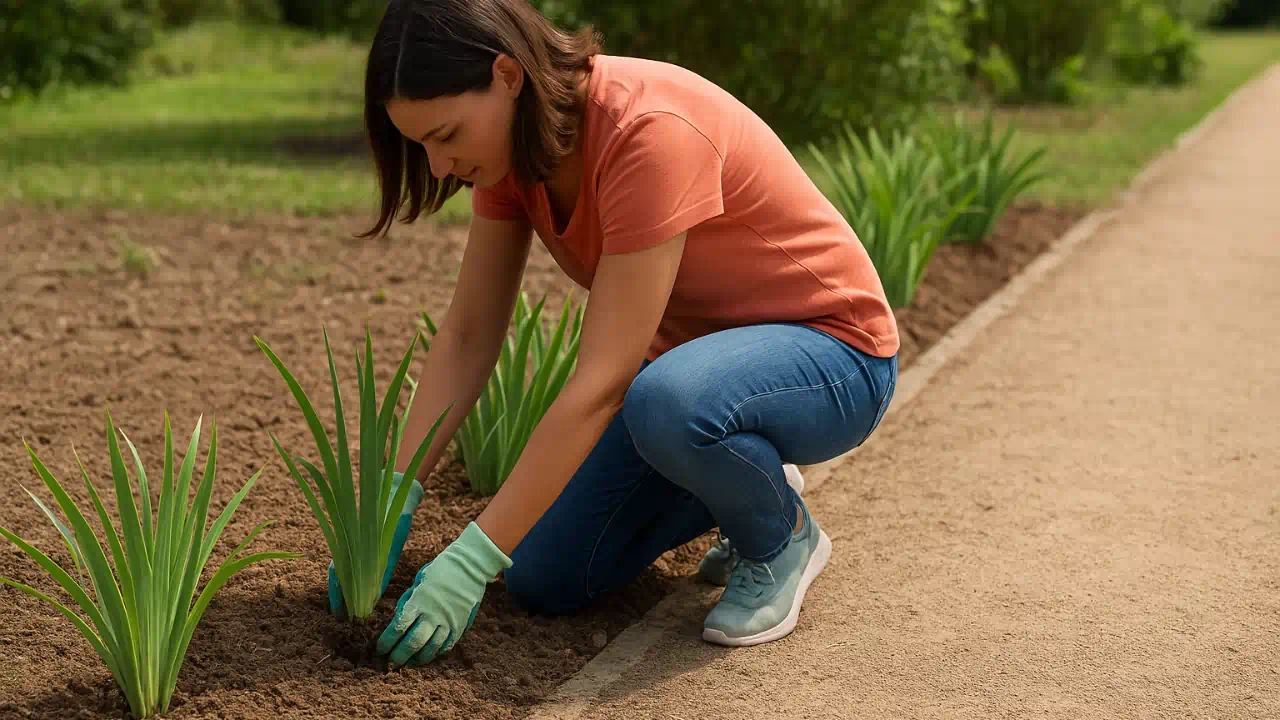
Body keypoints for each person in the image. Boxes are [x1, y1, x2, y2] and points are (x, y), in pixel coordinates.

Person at [337, 0, 900, 669]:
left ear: (507, 76)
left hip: (835, 355)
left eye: (446, 133)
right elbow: (467, 336)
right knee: (544, 576)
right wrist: (393, 493)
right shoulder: (513, 151)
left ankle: (781, 537)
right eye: (420, 144)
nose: (436, 166)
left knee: (664, 401)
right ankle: (744, 475)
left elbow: (605, 383)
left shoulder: (647, 132)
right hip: (699, 383)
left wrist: (471, 557)